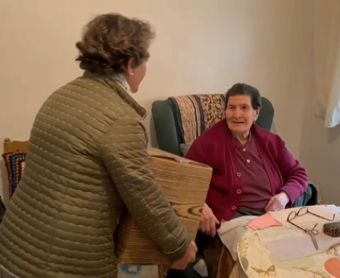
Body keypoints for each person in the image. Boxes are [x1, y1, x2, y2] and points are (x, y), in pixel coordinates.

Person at [0, 13, 196, 278]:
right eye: (146, 60)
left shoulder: (60, 96)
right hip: (63, 264)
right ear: (130, 64)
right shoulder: (121, 119)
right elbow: (144, 197)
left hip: (13, 249)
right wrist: (180, 245)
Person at [184, 83, 308, 276]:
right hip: (233, 223)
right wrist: (199, 205)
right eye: (231, 107)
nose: (236, 114)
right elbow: (183, 179)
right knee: (259, 257)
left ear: (256, 113)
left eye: (244, 108)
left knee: (301, 253)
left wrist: (284, 196)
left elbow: (299, 174)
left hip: (272, 218)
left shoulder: (271, 142)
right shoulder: (209, 143)